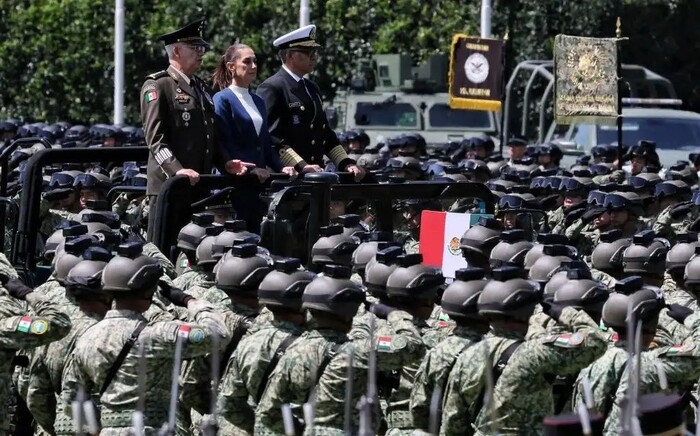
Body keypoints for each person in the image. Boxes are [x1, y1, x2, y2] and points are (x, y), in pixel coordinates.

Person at [140, 18, 250, 233]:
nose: (201, 53)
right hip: (169, 188)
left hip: (199, 186)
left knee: (194, 249)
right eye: (195, 48)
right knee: (166, 251)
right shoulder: (158, 85)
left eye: (202, 48)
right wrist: (178, 171)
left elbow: (210, 135)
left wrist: (226, 163)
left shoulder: (200, 86)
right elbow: (155, 140)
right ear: (177, 51)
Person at [256, 24, 366, 180]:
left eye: (314, 52)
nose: (313, 57)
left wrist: (345, 163)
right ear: (290, 55)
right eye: (307, 52)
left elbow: (325, 134)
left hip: (316, 177)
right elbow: (272, 138)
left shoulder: (311, 87)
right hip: (287, 177)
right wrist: (301, 165)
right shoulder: (272, 87)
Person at [211, 43, 297, 232]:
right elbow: (224, 142)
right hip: (233, 185)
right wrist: (250, 168)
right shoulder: (222, 99)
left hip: (255, 187)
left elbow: (265, 145)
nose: (254, 66)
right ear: (231, 66)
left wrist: (282, 167)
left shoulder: (257, 101)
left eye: (255, 61)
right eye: (247, 62)